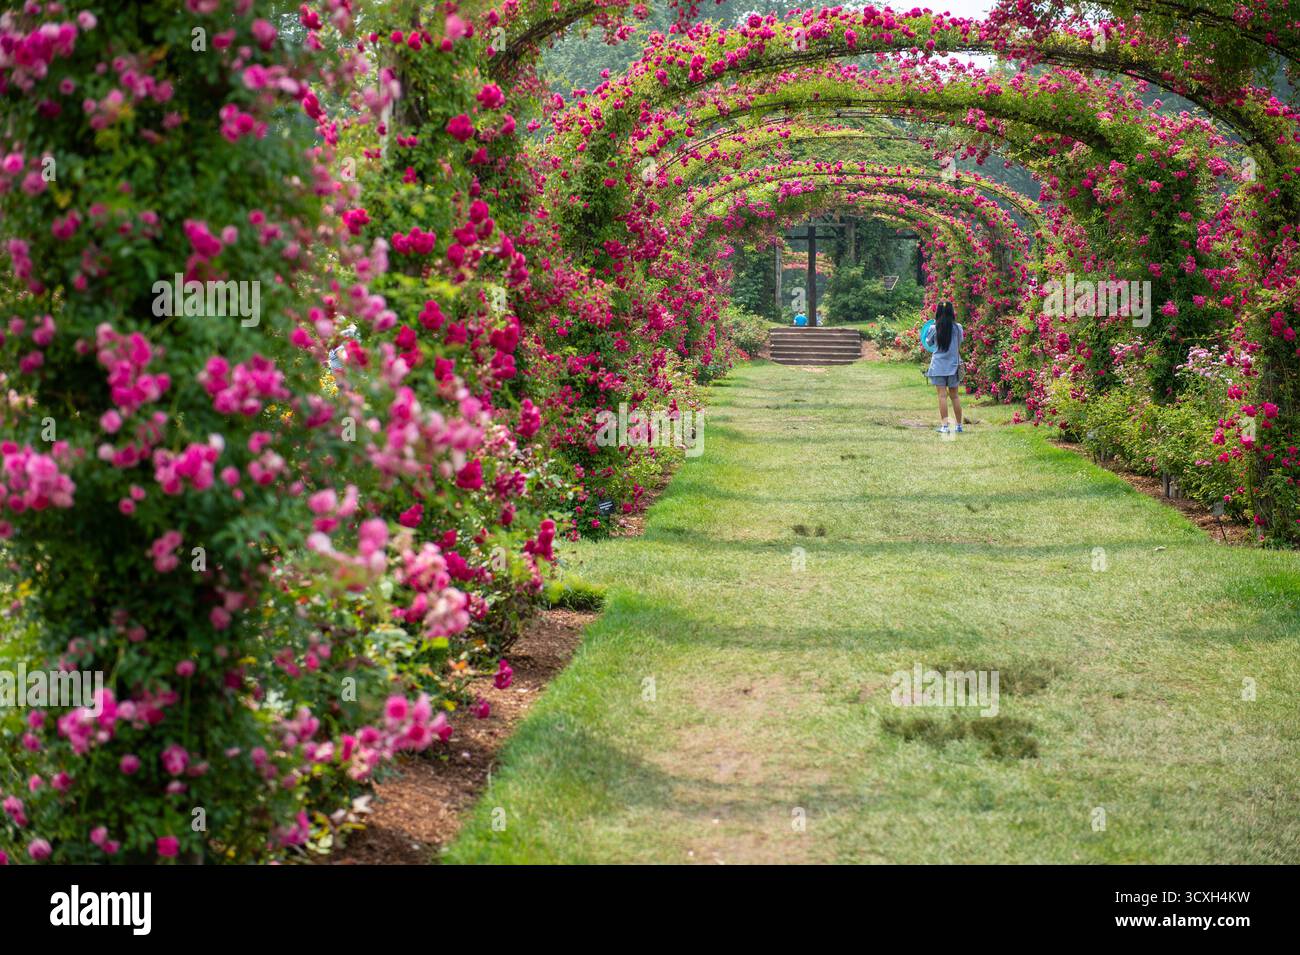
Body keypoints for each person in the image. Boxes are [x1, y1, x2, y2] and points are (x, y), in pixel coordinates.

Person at [923, 302, 965, 433]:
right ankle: (958, 426)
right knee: (955, 396)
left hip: (938, 366)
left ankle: (945, 426)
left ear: (938, 313)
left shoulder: (933, 329)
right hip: (954, 366)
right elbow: (960, 342)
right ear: (952, 312)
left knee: (942, 396)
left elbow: (928, 343)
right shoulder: (958, 328)